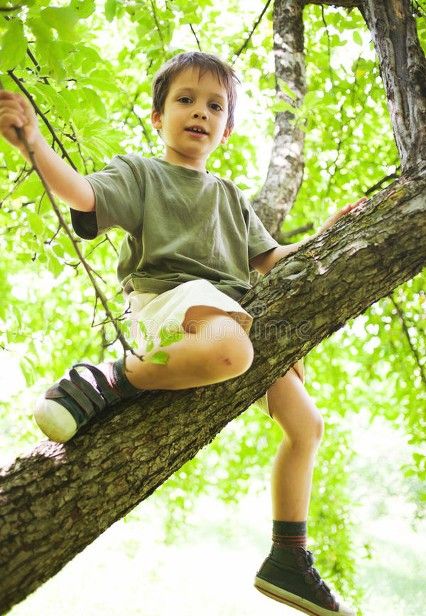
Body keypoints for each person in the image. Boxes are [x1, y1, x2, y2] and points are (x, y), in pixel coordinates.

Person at [0, 51, 366, 616]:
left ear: (227, 128)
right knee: (231, 349)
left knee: (306, 425)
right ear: (158, 116)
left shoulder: (229, 199)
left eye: (214, 106)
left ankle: (288, 555)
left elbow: (275, 259)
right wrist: (33, 145)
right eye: (185, 100)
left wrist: (332, 233)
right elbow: (83, 193)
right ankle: (107, 377)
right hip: (167, 303)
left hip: (225, 313)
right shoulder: (142, 174)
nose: (199, 112)